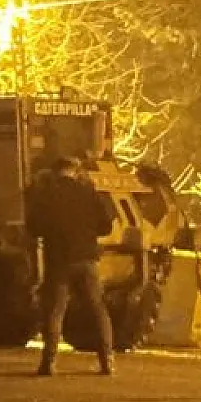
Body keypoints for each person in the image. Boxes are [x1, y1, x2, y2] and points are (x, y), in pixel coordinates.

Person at [27, 157, 117, 376]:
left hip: (59, 261)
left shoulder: (47, 195)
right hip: (87, 259)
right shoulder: (89, 192)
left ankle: (49, 363)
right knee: (97, 309)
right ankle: (107, 362)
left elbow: (33, 226)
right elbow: (106, 225)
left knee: (55, 311)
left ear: (55, 172)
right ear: (75, 171)